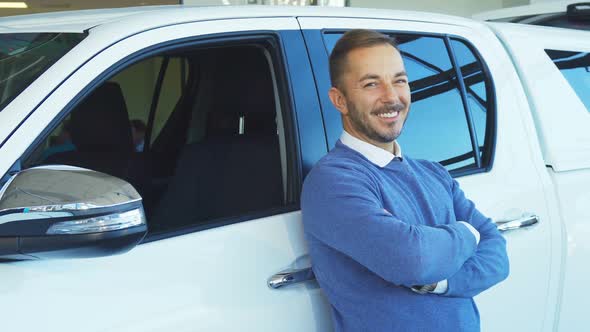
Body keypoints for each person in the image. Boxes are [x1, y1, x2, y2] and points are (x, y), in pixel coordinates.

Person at [301, 29, 509, 332]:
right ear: (340, 100)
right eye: (371, 84)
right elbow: (413, 259)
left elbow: (497, 256)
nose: (391, 97)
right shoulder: (332, 181)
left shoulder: (434, 173)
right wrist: (467, 233)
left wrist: (440, 283)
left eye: (399, 80)